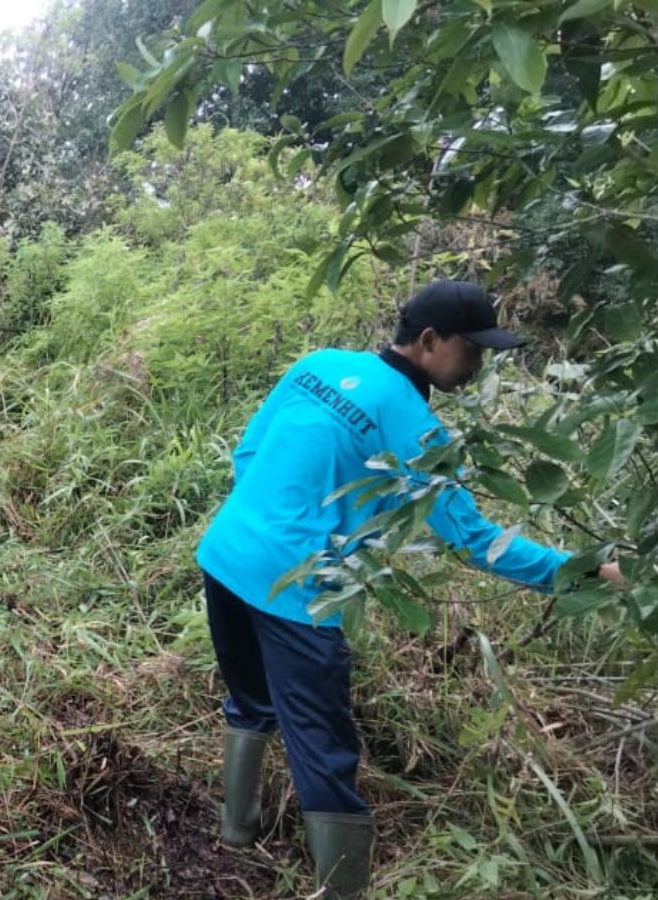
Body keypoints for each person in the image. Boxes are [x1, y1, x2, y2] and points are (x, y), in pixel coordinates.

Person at [196, 280, 625, 899]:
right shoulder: (421, 432)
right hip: (299, 593)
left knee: (250, 701)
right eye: (471, 348)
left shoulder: (319, 364)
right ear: (429, 340)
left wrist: (275, 521)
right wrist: (589, 570)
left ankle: (235, 834)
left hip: (225, 553)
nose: (478, 363)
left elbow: (249, 453)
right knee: (323, 749)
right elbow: (475, 541)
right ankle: (341, 892)